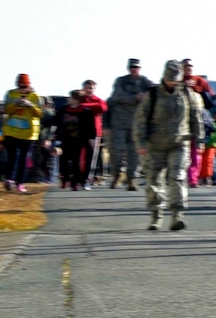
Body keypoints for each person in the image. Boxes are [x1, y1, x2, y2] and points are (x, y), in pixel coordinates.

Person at [136, 60, 203, 231]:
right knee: (153, 181)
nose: (172, 82)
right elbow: (140, 120)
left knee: (177, 177)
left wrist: (199, 139)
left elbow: (196, 117)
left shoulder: (187, 94)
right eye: (170, 79)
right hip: (154, 145)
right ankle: (156, 216)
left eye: (175, 79)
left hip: (179, 143)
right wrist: (140, 143)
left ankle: (177, 216)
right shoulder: (152, 94)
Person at [104, 59, 151, 190]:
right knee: (117, 152)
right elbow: (116, 96)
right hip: (119, 123)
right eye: (132, 67)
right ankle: (117, 175)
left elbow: (156, 92)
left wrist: (145, 96)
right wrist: (135, 98)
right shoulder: (121, 81)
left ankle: (132, 179)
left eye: (136, 67)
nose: (134, 70)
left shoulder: (145, 82)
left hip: (137, 124)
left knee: (135, 153)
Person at [0, 74, 46, 193]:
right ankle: (9, 179)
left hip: (28, 133)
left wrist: (30, 105)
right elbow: (5, 110)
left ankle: (20, 182)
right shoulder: (10, 94)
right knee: (13, 156)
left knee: (24, 158)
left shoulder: (35, 97)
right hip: (11, 131)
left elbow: (40, 114)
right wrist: (16, 104)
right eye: (20, 87)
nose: (23, 90)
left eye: (25, 87)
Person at [62, 80, 106, 189]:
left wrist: (84, 106)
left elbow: (103, 108)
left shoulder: (97, 100)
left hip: (94, 132)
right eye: (87, 88)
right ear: (83, 88)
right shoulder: (79, 98)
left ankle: (87, 180)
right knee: (77, 157)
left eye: (91, 88)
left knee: (91, 158)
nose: (89, 90)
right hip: (79, 132)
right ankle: (76, 179)